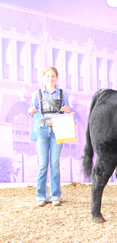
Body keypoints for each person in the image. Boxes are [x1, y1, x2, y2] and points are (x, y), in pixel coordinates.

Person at [28, 66, 70, 207]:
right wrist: (30, 110)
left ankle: (55, 195)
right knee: (42, 164)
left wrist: (67, 110)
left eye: (52, 76)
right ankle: (41, 196)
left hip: (58, 129)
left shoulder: (63, 94)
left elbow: (67, 112)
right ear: (44, 77)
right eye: (47, 76)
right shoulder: (38, 94)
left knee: (55, 164)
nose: (50, 79)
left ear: (56, 77)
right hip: (42, 130)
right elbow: (32, 110)